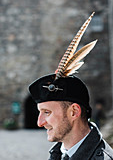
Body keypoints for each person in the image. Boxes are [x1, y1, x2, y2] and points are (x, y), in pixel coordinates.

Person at [28, 13, 113, 159]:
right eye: (40, 113)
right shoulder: (59, 154)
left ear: (74, 112)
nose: (40, 122)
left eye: (47, 112)